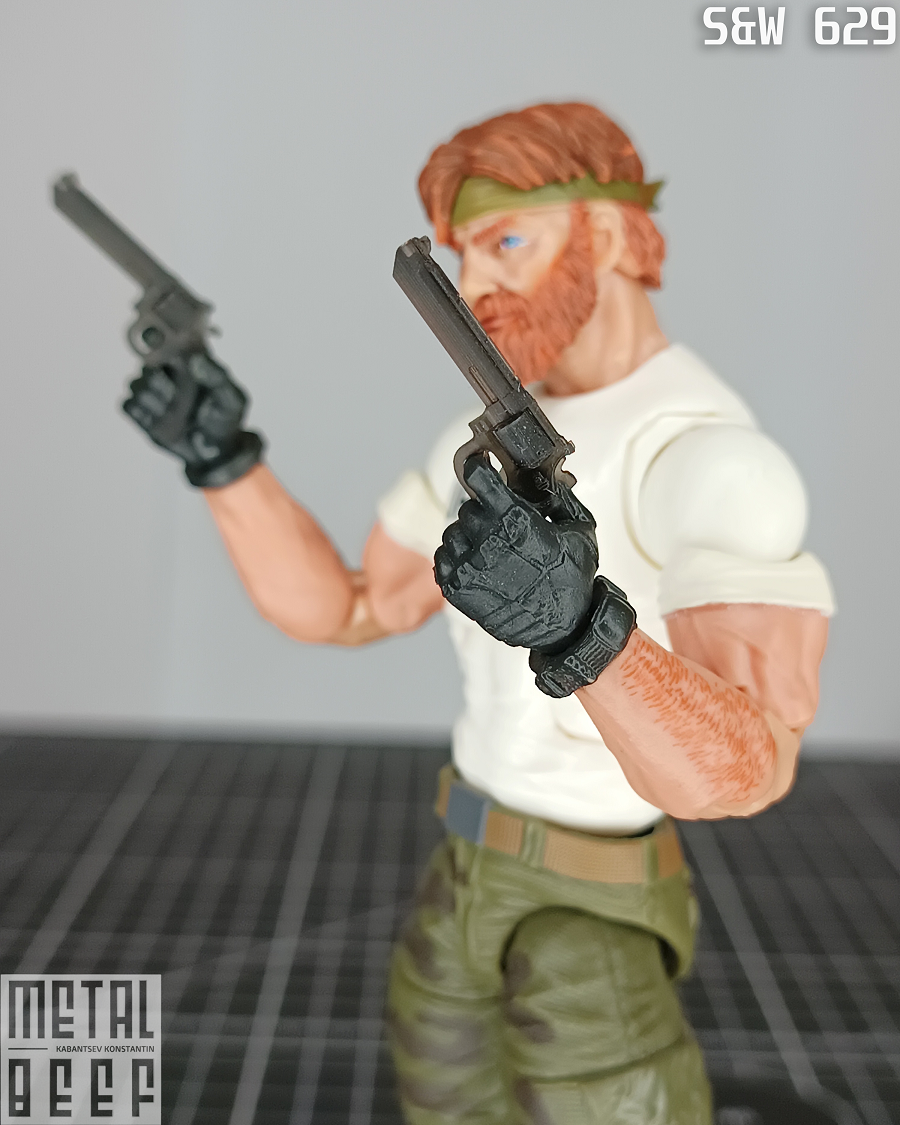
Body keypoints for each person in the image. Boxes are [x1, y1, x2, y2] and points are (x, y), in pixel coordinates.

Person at [122, 103, 834, 1124]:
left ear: (605, 231)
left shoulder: (710, 461)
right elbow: (352, 608)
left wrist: (588, 636)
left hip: (594, 902)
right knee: (441, 1088)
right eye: (465, 254)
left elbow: (750, 765)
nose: (480, 283)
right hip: (464, 871)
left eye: (506, 242)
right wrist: (225, 462)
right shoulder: (493, 441)